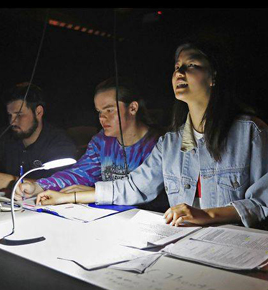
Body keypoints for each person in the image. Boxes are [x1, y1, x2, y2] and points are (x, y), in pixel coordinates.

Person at [26, 41, 268, 229]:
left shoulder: (251, 132)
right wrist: (65, 197)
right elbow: (134, 187)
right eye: (176, 67)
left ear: (213, 76)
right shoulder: (170, 144)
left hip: (237, 247)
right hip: (183, 242)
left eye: (191, 65)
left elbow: (265, 202)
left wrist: (208, 215)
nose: (179, 73)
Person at [15, 76, 167, 212]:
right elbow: (79, 174)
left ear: (133, 108)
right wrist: (38, 187)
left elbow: (144, 193)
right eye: (99, 111)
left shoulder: (159, 145)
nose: (102, 118)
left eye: (109, 110)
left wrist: (90, 193)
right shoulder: (101, 142)